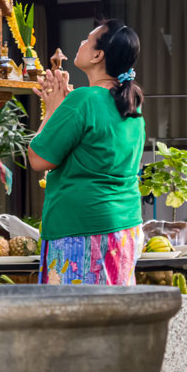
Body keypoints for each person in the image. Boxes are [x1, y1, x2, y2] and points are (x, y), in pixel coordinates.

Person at [29, 20, 147, 285]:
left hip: (81, 228)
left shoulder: (83, 100)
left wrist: (51, 110)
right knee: (113, 317)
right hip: (125, 227)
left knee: (74, 320)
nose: (80, 44)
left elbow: (39, 158)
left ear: (98, 55)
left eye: (87, 39)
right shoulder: (132, 108)